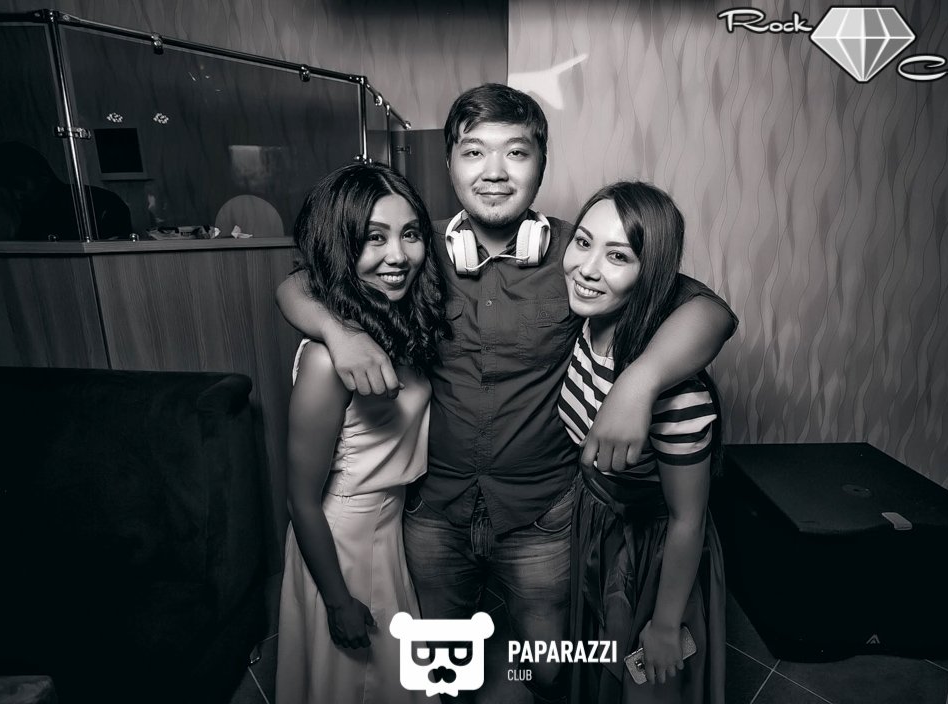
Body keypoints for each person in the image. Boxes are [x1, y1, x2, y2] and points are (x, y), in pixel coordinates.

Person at [276, 83, 736, 703]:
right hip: (433, 510)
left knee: (545, 667)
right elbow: (300, 282)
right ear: (448, 163)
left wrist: (640, 380)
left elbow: (712, 312)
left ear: (542, 163)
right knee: (440, 665)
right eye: (473, 152)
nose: (494, 172)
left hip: (542, 512)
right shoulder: (414, 248)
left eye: (516, 152)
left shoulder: (582, 253)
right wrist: (339, 333)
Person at [275, 163, 448, 704]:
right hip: (343, 540)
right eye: (375, 238)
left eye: (410, 234)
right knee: (358, 682)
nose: (398, 255)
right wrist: (337, 600)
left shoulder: (393, 318)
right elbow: (301, 501)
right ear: (341, 243)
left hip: (386, 525)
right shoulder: (328, 360)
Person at [559, 182, 728, 704]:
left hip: (652, 551)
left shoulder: (679, 395)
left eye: (618, 256)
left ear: (650, 273)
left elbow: (687, 520)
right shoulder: (588, 324)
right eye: (583, 242)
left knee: (643, 685)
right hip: (598, 524)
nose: (587, 269)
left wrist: (666, 622)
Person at [0, 141, 132, 240]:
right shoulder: (29, 217)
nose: (16, 195)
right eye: (7, 188)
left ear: (43, 177)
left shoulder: (99, 203)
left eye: (20, 185)